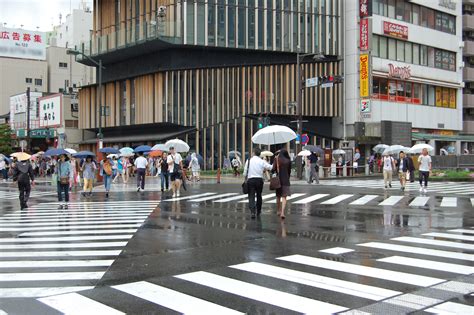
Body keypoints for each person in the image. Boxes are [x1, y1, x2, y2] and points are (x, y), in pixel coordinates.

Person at [243, 147, 273, 219]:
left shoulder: (249, 160)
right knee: (259, 195)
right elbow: (270, 167)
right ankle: (258, 210)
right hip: (259, 180)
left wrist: (245, 179)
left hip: (251, 180)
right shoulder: (261, 161)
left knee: (251, 196)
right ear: (259, 154)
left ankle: (253, 211)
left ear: (253, 153)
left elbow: (245, 172)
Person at [273, 149, 291, 220]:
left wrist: (275, 160)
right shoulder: (288, 161)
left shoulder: (277, 159)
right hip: (286, 180)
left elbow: (273, 169)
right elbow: (289, 171)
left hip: (278, 180)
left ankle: (278, 210)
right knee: (284, 197)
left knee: (278, 196)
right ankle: (283, 212)